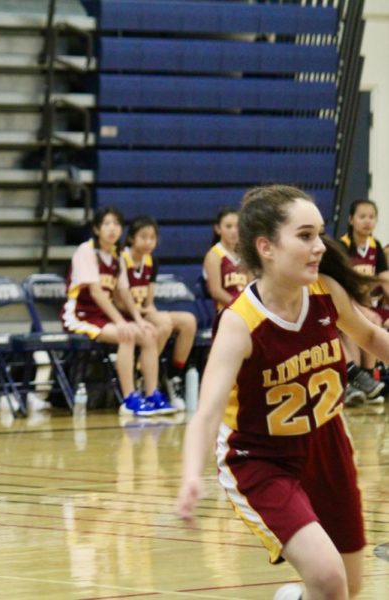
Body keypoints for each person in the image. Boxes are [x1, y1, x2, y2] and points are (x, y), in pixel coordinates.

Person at [176, 184, 388, 600]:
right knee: (328, 580)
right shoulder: (241, 323)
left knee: (346, 588)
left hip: (327, 444)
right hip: (262, 459)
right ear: (267, 247)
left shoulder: (326, 290)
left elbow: (371, 336)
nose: (319, 247)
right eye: (305, 236)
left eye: (320, 234)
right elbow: (207, 412)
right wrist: (188, 475)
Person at [61, 207, 173, 417]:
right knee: (127, 334)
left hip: (103, 317)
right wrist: (122, 322)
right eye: (107, 224)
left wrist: (139, 319)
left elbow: (123, 291)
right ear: (96, 228)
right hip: (80, 315)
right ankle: (129, 398)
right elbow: (96, 293)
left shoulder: (117, 255)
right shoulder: (86, 251)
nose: (112, 229)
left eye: (116, 224)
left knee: (149, 334)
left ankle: (152, 394)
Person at [120, 216, 198, 411]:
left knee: (188, 321)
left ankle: (173, 377)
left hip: (141, 311)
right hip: (123, 314)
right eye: (143, 237)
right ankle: (142, 375)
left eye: (152, 238)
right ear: (131, 239)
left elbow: (149, 301)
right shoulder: (121, 259)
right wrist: (144, 312)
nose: (148, 242)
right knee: (163, 323)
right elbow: (118, 301)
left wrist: (149, 310)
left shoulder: (151, 260)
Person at [338, 199, 388, 405]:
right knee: (356, 328)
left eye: (372, 217)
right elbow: (339, 287)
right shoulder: (342, 246)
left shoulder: (376, 246)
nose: (367, 221)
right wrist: (359, 309)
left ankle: (368, 380)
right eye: (362, 216)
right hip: (347, 304)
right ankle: (354, 383)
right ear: (351, 220)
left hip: (370, 306)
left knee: (375, 322)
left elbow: (385, 279)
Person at [203, 206, 248, 312]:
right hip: (226, 312)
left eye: (237, 226)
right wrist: (239, 308)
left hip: (245, 309)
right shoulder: (214, 255)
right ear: (218, 229)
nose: (234, 231)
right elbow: (216, 291)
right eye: (228, 226)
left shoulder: (245, 254)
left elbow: (251, 285)